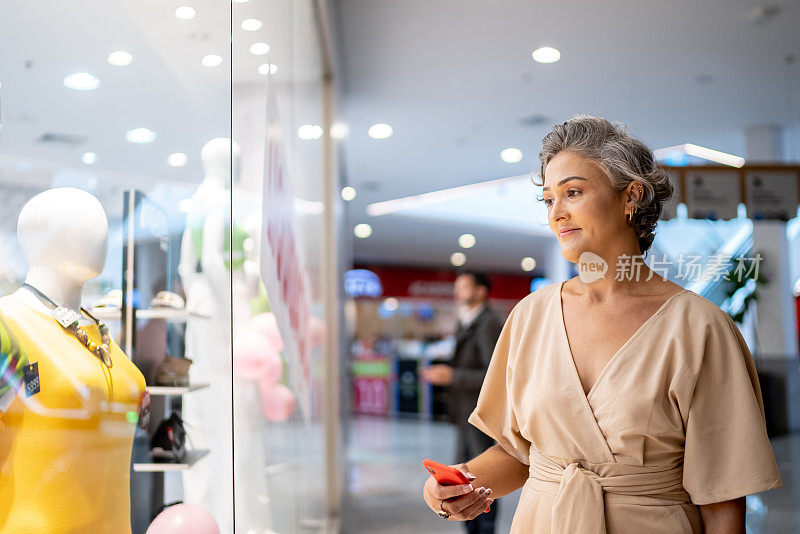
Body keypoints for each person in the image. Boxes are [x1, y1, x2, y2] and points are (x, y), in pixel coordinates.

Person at [422, 115, 782, 533]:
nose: (557, 213)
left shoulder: (700, 329)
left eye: (573, 192)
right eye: (548, 199)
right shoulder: (530, 316)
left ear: (631, 197)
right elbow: (519, 454)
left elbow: (722, 500)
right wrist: (458, 486)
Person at [421, 270, 504, 533]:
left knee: (482, 475)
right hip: (465, 410)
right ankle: (472, 525)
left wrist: (452, 375)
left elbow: (495, 374)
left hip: (479, 412)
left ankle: (485, 527)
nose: (458, 292)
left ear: (481, 291)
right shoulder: (466, 320)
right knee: (463, 474)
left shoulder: (488, 322)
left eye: (464, 287)